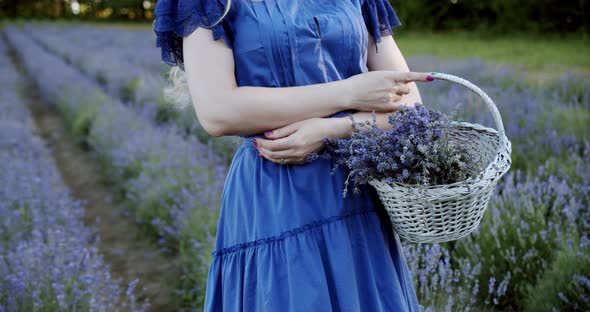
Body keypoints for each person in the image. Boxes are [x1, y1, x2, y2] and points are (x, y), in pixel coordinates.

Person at [153, 0, 434, 310]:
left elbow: (412, 108)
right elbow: (218, 111)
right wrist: (349, 92)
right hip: (279, 198)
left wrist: (333, 129)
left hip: (357, 192)